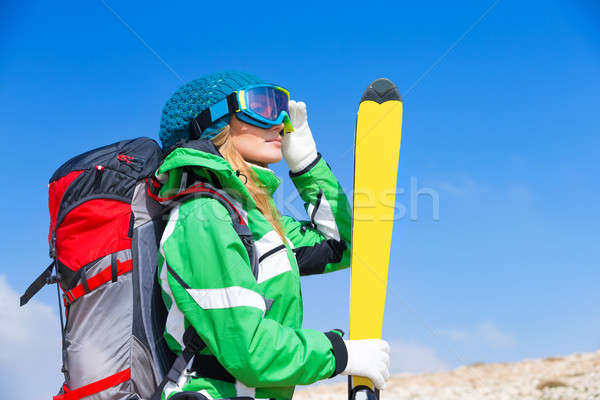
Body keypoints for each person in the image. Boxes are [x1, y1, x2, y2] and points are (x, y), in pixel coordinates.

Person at [156, 71, 390, 400]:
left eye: (282, 108)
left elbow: (346, 246)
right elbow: (249, 350)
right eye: (263, 106)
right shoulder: (203, 216)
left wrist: (307, 165)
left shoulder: (255, 222)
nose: (280, 121)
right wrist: (339, 354)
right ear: (212, 123)